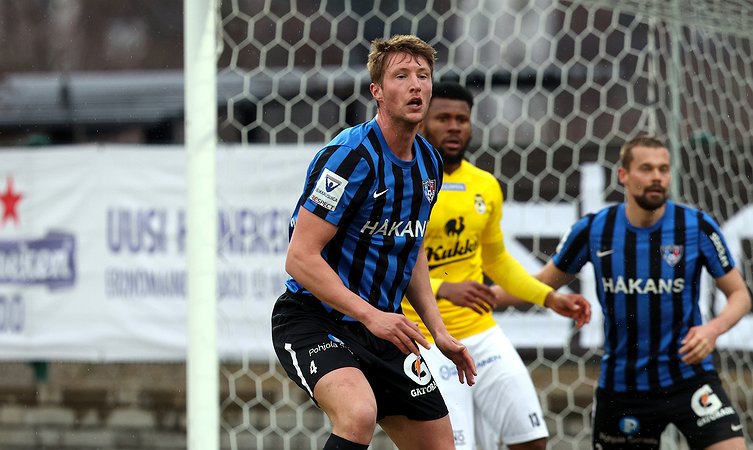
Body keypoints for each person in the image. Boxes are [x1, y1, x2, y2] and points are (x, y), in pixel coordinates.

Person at [271, 35, 476, 450]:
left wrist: (438, 331)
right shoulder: (350, 157)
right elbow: (300, 258)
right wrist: (370, 315)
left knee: (440, 445)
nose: (416, 85)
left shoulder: (429, 162)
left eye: (423, 75)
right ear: (377, 91)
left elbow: (411, 247)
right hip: (316, 320)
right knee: (358, 413)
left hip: (384, 329)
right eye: (402, 76)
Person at [501, 134, 750, 449]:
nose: (657, 177)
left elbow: (740, 295)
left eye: (663, 169)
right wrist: (482, 295)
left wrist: (713, 330)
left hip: (690, 378)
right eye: (646, 168)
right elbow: (541, 283)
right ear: (623, 175)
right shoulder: (595, 229)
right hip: (624, 388)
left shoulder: (696, 226)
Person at [400, 81, 591, 450]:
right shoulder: (405, 183)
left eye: (462, 119)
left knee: (532, 440)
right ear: (421, 123)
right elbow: (393, 263)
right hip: (426, 339)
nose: (454, 127)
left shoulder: (484, 185)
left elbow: (498, 260)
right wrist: (444, 288)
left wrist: (549, 297)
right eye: (443, 118)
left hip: (481, 333)